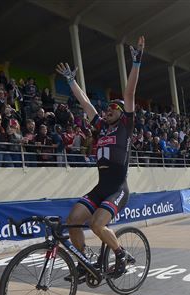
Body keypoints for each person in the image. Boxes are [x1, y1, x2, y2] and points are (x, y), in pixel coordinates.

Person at [55, 36, 144, 279]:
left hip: (118, 189)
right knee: (73, 220)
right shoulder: (101, 126)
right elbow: (85, 103)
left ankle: (121, 254)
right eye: (107, 109)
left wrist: (136, 64)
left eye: (113, 109)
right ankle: (86, 264)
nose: (108, 111)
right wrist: (72, 82)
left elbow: (129, 92)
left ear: (121, 113)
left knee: (96, 225)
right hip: (100, 188)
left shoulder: (126, 125)